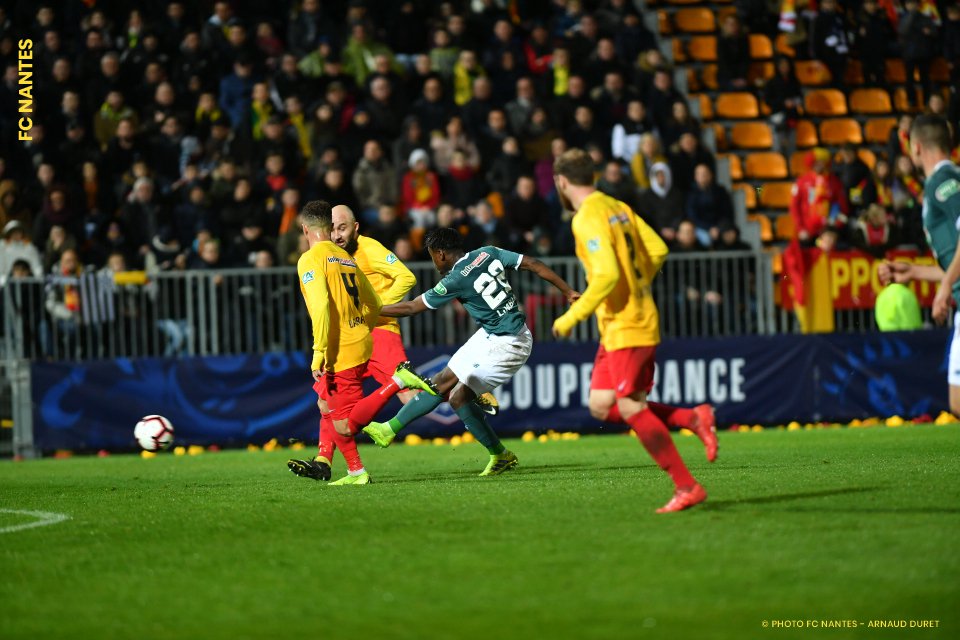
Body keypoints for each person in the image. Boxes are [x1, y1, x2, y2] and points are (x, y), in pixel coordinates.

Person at [550, 148, 718, 514]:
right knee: (600, 405)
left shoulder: (586, 217)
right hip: (618, 324)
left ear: (562, 182)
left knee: (629, 407)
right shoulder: (618, 207)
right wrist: (636, 280)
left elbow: (608, 274)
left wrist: (571, 316)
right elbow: (657, 248)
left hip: (629, 324)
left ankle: (686, 485)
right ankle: (690, 418)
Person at [362, 227, 580, 476]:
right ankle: (388, 429)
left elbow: (412, 307)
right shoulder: (488, 252)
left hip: (511, 343)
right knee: (441, 381)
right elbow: (532, 263)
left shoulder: (454, 280)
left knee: (457, 397)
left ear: (441, 254)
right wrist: (568, 291)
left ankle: (499, 453)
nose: (433, 261)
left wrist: (370, 311)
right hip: (491, 334)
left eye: (432, 255)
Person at [286, 200, 437, 486]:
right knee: (325, 403)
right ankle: (336, 465)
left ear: (305, 229)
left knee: (345, 422)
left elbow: (320, 308)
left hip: (340, 345)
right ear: (329, 228)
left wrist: (319, 352)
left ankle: (402, 382)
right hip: (361, 337)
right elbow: (372, 300)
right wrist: (364, 322)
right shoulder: (345, 257)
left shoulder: (311, 259)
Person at [879, 115, 960, 415]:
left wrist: (943, 286)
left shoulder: (945, 181)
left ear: (915, 147)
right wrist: (913, 272)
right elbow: (955, 260)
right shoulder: (944, 182)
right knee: (956, 402)